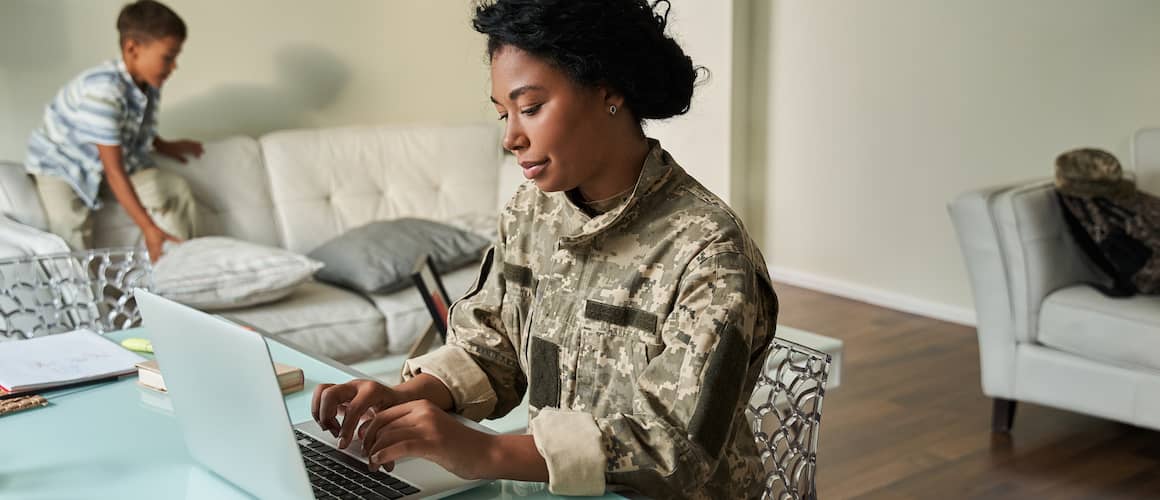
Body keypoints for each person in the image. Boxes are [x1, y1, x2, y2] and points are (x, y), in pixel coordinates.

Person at [311, 0, 778, 497]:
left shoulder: (708, 249)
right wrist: (406, 398)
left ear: (609, 91)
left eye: (530, 107)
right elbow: (493, 349)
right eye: (502, 114)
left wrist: (485, 453)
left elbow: (676, 450)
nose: (511, 137)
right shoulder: (531, 212)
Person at [25, 0, 202, 260]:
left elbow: (137, 129)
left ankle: (184, 268)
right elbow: (115, 172)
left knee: (173, 189)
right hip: (64, 167)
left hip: (108, 166)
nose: (174, 66)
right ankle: (84, 299)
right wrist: (149, 228)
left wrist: (164, 145)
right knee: (70, 227)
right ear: (133, 49)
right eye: (168, 57)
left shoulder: (149, 84)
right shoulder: (104, 92)